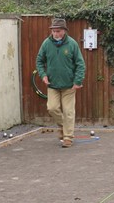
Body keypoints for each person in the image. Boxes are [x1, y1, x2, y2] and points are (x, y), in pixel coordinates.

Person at [36, 18, 85, 147]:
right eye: (53, 31)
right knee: (52, 108)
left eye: (58, 31)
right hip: (52, 84)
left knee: (69, 111)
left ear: (64, 31)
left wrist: (77, 80)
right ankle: (64, 127)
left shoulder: (72, 44)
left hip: (69, 85)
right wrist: (43, 75)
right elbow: (39, 61)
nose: (55, 34)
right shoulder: (46, 44)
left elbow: (80, 64)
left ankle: (68, 137)